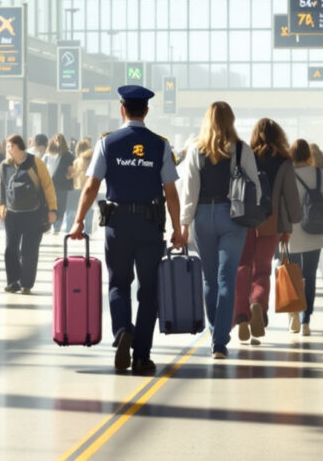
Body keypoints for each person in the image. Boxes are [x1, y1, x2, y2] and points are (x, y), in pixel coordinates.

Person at [68, 85, 184, 376]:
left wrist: (78, 221)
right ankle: (141, 356)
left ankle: (122, 331)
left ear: (122, 109)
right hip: (150, 226)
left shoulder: (107, 143)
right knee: (149, 290)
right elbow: (171, 193)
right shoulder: (160, 145)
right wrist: (178, 229)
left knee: (119, 283)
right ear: (146, 111)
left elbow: (91, 186)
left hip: (117, 225)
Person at [178, 102, 262, 358]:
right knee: (227, 278)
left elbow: (189, 191)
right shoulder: (242, 149)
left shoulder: (196, 149)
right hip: (233, 216)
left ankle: (215, 331)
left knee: (209, 278)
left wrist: (184, 225)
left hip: (203, 216)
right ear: (231, 120)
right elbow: (255, 188)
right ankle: (220, 342)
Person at [234, 118, 298, 343]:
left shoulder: (245, 156)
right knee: (262, 271)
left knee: (243, 266)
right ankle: (258, 305)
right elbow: (290, 197)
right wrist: (289, 226)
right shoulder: (284, 161)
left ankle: (241, 315)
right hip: (271, 222)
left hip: (244, 220)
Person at [282, 139, 323, 336]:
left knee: (293, 274)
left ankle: (293, 313)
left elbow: (282, 203)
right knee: (310, 276)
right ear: (308, 155)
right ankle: (306, 321)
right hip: (314, 230)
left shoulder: (288, 175)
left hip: (292, 230)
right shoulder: (319, 174)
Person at [0, 134, 57, 293]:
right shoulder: (4, 165)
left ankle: (26, 283)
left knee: (29, 250)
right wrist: (2, 206)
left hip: (33, 213)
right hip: (12, 214)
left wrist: (52, 208)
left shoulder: (35, 162)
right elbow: (1, 187)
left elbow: (48, 185)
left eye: (11, 146)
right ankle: (13, 281)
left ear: (19, 146)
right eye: (7, 147)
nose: (8, 149)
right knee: (11, 249)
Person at [48, 135, 75, 235]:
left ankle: (57, 227)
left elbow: (71, 169)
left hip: (62, 185)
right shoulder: (53, 154)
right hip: (52, 184)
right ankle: (50, 225)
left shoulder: (68, 155)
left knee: (60, 205)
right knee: (51, 205)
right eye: (56, 140)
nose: (57, 142)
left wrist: (69, 176)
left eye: (59, 140)